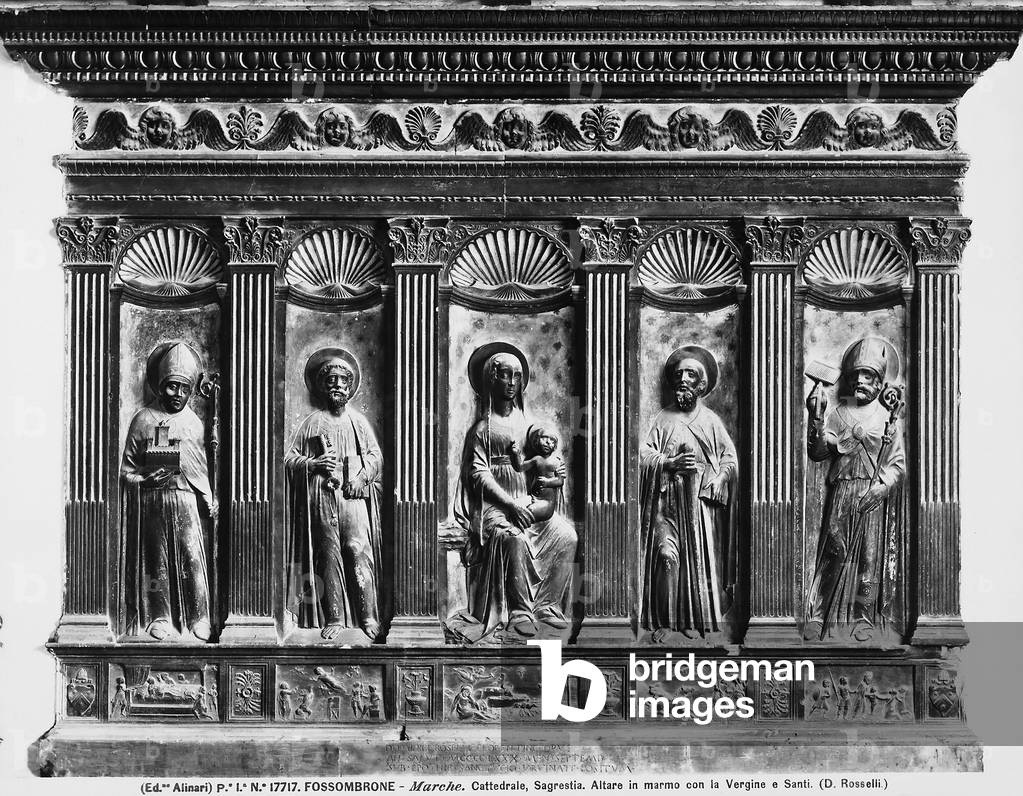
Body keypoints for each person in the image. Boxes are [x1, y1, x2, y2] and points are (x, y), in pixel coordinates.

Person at [453, 344, 577, 639]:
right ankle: (520, 611)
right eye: (505, 375)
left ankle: (546, 605)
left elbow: (545, 460)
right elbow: (478, 473)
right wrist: (510, 505)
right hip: (496, 507)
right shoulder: (482, 429)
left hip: (530, 502)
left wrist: (555, 474)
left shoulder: (529, 425)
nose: (511, 382)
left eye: (516, 376)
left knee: (567, 536)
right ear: (491, 380)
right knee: (513, 538)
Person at [804, 337, 905, 643]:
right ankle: (818, 614)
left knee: (868, 559)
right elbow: (818, 452)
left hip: (870, 495)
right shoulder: (840, 411)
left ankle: (863, 617)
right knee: (835, 550)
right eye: (856, 376)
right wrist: (817, 415)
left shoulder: (888, 419)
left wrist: (882, 486)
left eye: (869, 376)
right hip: (842, 491)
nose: (861, 381)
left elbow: (897, 464)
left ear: (879, 382)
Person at [639, 345, 738, 641]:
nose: (683, 379)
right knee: (668, 557)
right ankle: (665, 622)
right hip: (665, 505)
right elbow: (643, 455)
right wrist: (668, 463)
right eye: (679, 374)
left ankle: (692, 620)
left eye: (690, 375)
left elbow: (730, 459)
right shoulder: (663, 419)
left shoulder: (710, 421)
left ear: (701, 384)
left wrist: (720, 477)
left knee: (697, 561)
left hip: (698, 508)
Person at [285, 348, 382, 643]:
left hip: (352, 497)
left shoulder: (358, 423)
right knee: (327, 554)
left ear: (351, 387)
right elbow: (289, 459)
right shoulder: (312, 423)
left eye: (343, 380)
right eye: (331, 381)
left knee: (356, 549)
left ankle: (367, 615)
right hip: (322, 498)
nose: (337, 385)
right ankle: (335, 617)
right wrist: (312, 464)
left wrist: (361, 478)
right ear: (322, 387)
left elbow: (375, 457)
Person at [121, 342, 214, 642]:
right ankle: (158, 616)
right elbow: (125, 472)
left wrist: (209, 497)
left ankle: (199, 615)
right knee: (155, 559)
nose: (177, 394)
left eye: (183, 389)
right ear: (160, 386)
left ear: (190, 392)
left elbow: (201, 468)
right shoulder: (143, 420)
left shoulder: (195, 424)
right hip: (152, 501)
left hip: (186, 500)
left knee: (192, 556)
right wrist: (144, 481)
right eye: (171, 387)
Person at [508, 423, 564, 523]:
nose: (548, 442)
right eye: (544, 438)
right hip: (533, 497)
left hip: (547, 503)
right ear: (537, 440)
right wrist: (516, 454)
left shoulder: (557, 461)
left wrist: (547, 482)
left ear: (555, 446)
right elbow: (520, 467)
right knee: (513, 506)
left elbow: (560, 481)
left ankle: (518, 531)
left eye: (552, 441)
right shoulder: (537, 459)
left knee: (529, 511)